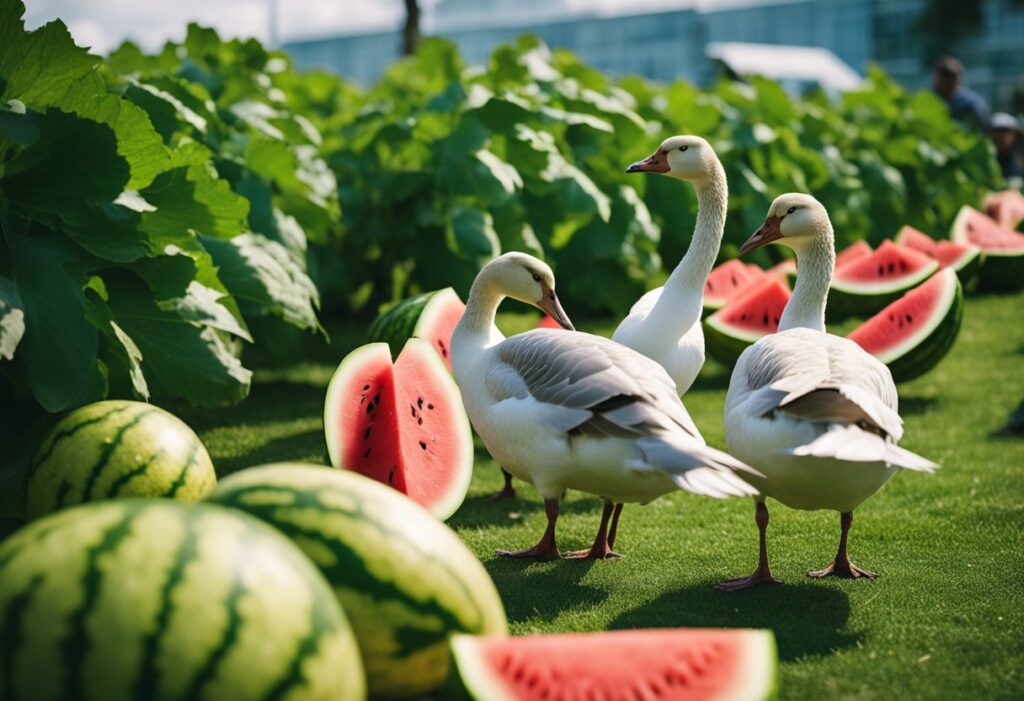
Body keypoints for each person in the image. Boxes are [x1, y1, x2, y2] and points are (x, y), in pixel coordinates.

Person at [932, 56, 991, 130]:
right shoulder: (927, 100)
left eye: (950, 76)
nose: (946, 81)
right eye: (944, 76)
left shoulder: (972, 104)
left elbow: (983, 130)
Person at [989, 112, 1022, 183]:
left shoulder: (1019, 162)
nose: (1004, 136)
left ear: (1015, 135)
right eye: (999, 131)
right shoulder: (985, 159)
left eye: (1007, 131)